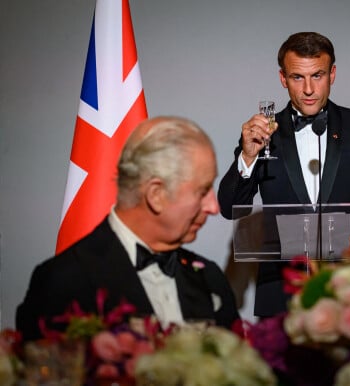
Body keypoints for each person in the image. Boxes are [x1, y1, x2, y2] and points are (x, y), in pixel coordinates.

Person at [218, 32, 350, 318]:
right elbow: (229, 208)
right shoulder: (262, 133)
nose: (309, 89)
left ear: (333, 74)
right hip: (280, 293)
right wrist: (248, 156)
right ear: (283, 78)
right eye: (297, 77)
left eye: (318, 75)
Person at [17, 116, 240, 341]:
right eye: (202, 191)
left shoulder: (209, 278)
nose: (213, 207)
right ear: (156, 195)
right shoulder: (65, 281)